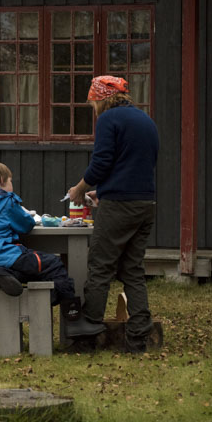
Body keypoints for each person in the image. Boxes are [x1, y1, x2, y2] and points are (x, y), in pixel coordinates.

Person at [67, 75, 159, 353]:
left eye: (92, 103)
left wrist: (81, 189)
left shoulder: (108, 119)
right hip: (145, 204)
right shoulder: (146, 121)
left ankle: (87, 336)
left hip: (120, 207)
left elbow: (102, 161)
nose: (93, 109)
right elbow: (133, 163)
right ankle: (139, 338)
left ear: (101, 98)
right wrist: (104, 191)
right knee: (132, 270)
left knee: (100, 267)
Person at [0, 160, 101, 338]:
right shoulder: (7, 202)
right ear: (2, 181)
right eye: (11, 181)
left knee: (27, 270)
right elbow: (26, 224)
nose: (12, 184)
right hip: (8, 255)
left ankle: (5, 275)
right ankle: (71, 319)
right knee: (54, 265)